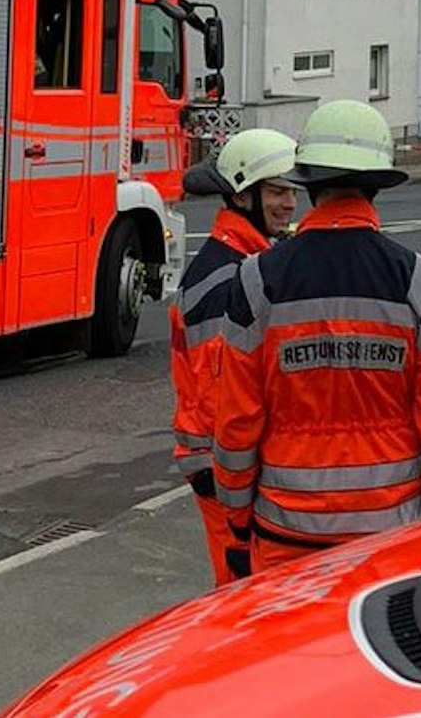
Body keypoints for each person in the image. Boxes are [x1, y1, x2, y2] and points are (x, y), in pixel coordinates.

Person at [213, 100, 421, 572]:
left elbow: (237, 419)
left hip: (285, 532)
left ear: (309, 184)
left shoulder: (256, 280)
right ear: (377, 185)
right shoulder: (419, 280)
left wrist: (236, 512)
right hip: (392, 536)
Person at [169, 128, 298, 585]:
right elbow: (217, 396)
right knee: (241, 596)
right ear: (243, 197)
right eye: (278, 191)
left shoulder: (247, 260)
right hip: (223, 470)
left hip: (225, 465)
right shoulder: (224, 280)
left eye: (293, 191)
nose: (290, 203)